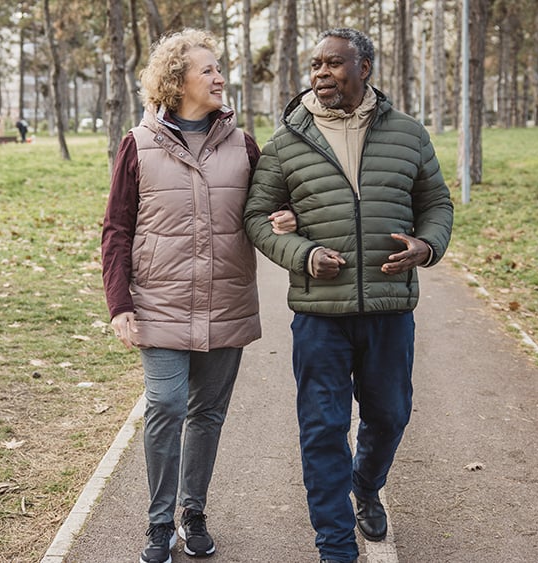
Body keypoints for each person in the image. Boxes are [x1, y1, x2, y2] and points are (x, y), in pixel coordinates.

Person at [243, 27, 454, 563]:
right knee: (322, 428)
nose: (320, 74)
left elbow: (437, 204)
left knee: (389, 416)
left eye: (333, 64)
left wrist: (427, 246)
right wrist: (302, 255)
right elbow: (256, 217)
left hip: (389, 308)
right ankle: (336, 546)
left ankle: (365, 485)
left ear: (365, 68)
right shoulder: (287, 141)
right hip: (319, 313)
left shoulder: (407, 133)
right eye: (315, 65)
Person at [102, 28, 295, 563]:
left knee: (207, 414)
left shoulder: (243, 143)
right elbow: (116, 229)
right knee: (165, 404)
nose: (219, 77)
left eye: (218, 68)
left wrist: (286, 215)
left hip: (225, 301)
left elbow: (267, 207)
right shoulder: (137, 144)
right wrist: (120, 304)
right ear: (176, 80)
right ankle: (159, 522)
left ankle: (194, 512)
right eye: (208, 69)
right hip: (159, 301)